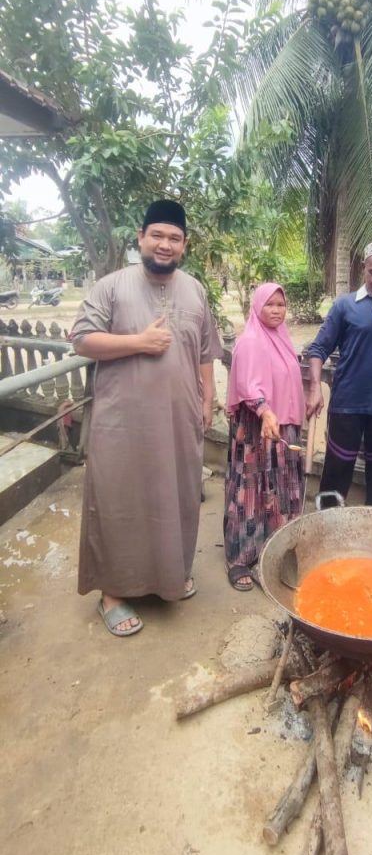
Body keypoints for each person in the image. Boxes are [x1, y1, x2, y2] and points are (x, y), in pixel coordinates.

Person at [71, 199, 222, 637]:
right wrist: (138, 342)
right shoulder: (112, 286)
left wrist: (207, 393)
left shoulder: (194, 289)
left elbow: (206, 349)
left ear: (184, 245)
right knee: (120, 502)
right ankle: (113, 594)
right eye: (157, 235)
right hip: (123, 423)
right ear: (140, 237)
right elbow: (81, 339)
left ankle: (166, 578)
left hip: (178, 419)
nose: (165, 244)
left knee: (173, 497)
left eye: (174, 238)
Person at [305, 240, 372, 506]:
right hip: (346, 405)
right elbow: (317, 349)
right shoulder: (345, 306)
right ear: (363, 269)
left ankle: (369, 534)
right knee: (336, 473)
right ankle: (327, 528)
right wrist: (315, 388)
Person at [224, 283, 305, 590]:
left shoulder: (283, 339)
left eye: (281, 305)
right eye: (269, 304)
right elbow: (249, 384)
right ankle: (240, 559)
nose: (276, 310)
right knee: (251, 493)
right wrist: (265, 411)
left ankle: (273, 555)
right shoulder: (249, 341)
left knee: (281, 491)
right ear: (257, 306)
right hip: (258, 430)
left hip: (282, 430)